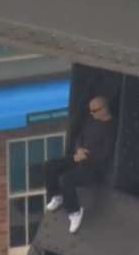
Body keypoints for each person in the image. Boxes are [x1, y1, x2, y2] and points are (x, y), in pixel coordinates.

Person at [44, 96, 118, 233]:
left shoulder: (112, 127)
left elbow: (105, 152)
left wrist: (86, 155)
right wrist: (78, 150)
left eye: (94, 111)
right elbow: (80, 137)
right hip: (79, 157)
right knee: (51, 165)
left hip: (94, 167)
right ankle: (57, 195)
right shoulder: (91, 121)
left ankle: (75, 212)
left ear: (104, 109)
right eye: (90, 111)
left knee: (65, 179)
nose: (91, 114)